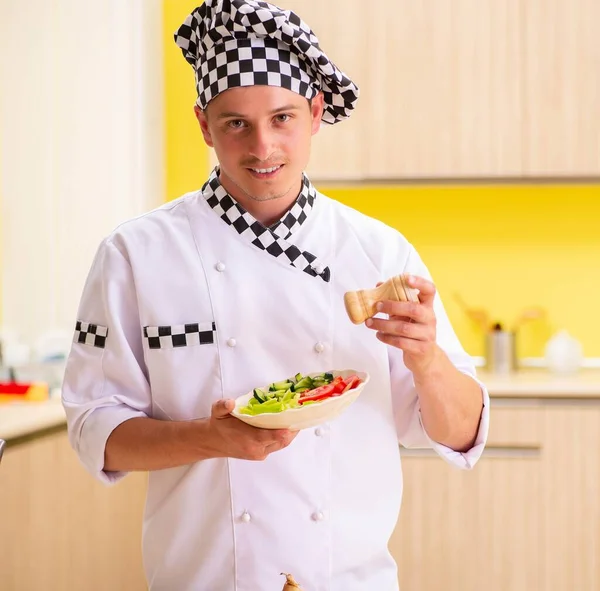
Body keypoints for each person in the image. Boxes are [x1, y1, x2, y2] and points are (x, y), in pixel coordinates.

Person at [61, 1, 490, 589]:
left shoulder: (376, 251)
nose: (262, 147)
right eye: (236, 123)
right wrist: (207, 437)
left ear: (315, 113)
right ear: (204, 125)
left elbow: (463, 433)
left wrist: (427, 359)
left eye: (282, 117)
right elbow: (94, 430)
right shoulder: (136, 254)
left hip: (350, 580)